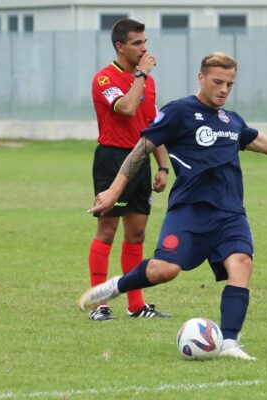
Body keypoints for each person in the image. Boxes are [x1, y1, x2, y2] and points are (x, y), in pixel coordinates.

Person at [78, 52, 267, 359]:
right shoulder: (179, 111)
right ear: (201, 78)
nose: (223, 89)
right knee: (165, 270)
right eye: (218, 82)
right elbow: (140, 150)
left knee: (241, 264)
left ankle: (230, 342)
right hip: (189, 211)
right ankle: (116, 286)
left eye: (230, 84)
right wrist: (113, 192)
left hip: (230, 213)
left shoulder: (231, 120)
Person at [87, 18, 170, 321]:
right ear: (120, 46)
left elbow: (153, 125)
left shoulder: (146, 82)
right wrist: (142, 75)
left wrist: (163, 166)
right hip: (112, 160)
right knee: (107, 232)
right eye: (137, 43)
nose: (144, 48)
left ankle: (136, 305)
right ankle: (99, 304)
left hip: (142, 160)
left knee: (136, 235)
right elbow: (126, 108)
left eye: (145, 42)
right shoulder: (105, 79)